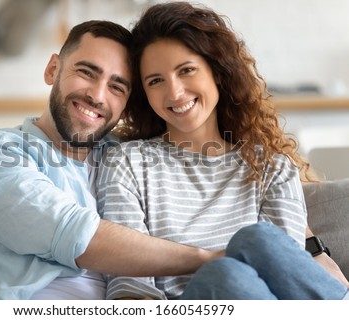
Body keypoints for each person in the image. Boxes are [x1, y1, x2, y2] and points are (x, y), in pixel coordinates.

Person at [0, 20, 218, 300]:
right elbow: (77, 236)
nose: (97, 95)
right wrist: (206, 259)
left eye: (117, 87)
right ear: (53, 69)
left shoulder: (129, 162)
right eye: (87, 72)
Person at [96, 2, 349, 300]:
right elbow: (130, 284)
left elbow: (290, 277)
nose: (175, 92)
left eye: (186, 70)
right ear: (144, 93)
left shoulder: (273, 166)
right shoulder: (127, 162)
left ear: (216, 72)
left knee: (259, 241)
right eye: (156, 81)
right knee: (225, 273)